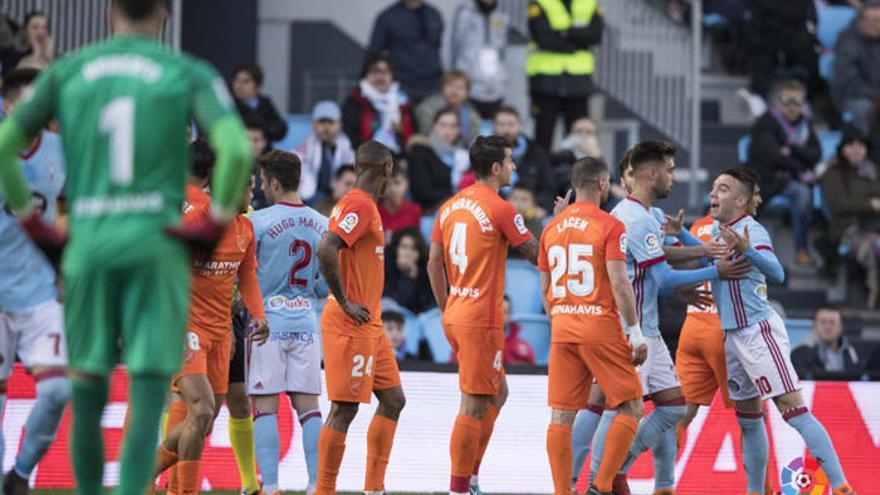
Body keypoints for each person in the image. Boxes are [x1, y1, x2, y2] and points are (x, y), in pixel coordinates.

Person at [0, 1, 254, 493]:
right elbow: (239, 150)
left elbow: (7, 142)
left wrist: (34, 224)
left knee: (89, 391)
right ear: (164, 12)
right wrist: (214, 222)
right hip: (155, 249)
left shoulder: (71, 69)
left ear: (109, 11)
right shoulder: (187, 72)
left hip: (90, 247)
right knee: (148, 394)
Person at [607, 141, 750, 494]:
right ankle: (602, 477)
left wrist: (690, 267)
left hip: (652, 328)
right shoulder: (634, 218)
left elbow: (654, 263)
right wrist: (715, 270)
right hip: (633, 329)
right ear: (650, 174)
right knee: (619, 411)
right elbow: (663, 274)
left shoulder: (649, 216)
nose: (675, 177)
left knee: (672, 407)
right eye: (670, 170)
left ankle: (630, 474)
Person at [708, 167, 859, 495]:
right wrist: (680, 237)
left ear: (741, 200)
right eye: (713, 187)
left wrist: (747, 249)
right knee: (748, 420)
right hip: (732, 335)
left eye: (722, 188)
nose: (712, 193)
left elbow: (777, 272)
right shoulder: (713, 230)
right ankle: (755, 491)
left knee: (794, 410)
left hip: (757, 331)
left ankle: (840, 485)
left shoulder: (752, 230)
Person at [426, 135, 540, 495]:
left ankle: (471, 477)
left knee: (497, 393)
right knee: (474, 403)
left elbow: (433, 263)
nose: (514, 167)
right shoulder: (501, 208)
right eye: (510, 161)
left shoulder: (450, 206)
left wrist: (447, 308)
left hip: (457, 312)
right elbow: (537, 255)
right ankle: (459, 487)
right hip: (481, 318)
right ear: (495, 167)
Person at [153, 163, 269, 495]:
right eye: (248, 187)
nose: (252, 192)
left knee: (204, 418)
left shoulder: (245, 228)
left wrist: (258, 315)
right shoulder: (196, 224)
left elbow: (247, 277)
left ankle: (147, 475)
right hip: (185, 325)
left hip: (221, 332)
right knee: (201, 408)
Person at [538, 156, 647, 495]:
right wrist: (635, 331)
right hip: (598, 325)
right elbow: (619, 282)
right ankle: (599, 487)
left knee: (561, 415)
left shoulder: (550, 228)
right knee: (631, 405)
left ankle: (561, 491)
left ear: (574, 185)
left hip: (562, 326)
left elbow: (545, 287)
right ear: (602, 184)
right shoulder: (611, 225)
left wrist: (560, 318)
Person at [315, 141, 406, 495]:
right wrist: (345, 300)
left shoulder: (362, 205)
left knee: (394, 399)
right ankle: (323, 490)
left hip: (370, 323)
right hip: (351, 323)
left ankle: (374, 488)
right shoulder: (358, 204)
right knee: (344, 408)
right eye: (393, 169)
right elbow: (327, 248)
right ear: (385, 168)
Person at [0, 67, 70, 494]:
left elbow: (68, 208)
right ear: (8, 105)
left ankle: (21, 473)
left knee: (59, 390)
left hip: (40, 294)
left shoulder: (63, 152)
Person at [248, 150, 328, 495]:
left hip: (267, 325)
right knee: (309, 409)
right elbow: (325, 284)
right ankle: (317, 485)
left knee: (265, 408)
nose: (262, 188)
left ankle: (272, 488)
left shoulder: (258, 222)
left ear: (275, 182)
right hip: (307, 324)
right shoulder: (323, 224)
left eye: (264, 181)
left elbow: (246, 274)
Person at [747, 79, 821, 266]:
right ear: (777, 102)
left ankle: (802, 250)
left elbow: (816, 153)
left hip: (789, 179)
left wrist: (792, 149)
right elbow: (772, 157)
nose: (792, 107)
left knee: (802, 193)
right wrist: (799, 163)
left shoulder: (805, 126)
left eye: (797, 101)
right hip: (765, 179)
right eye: (787, 101)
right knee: (800, 191)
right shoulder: (765, 123)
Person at [527, 0, 604, 152]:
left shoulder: (589, 3)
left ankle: (578, 175)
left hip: (578, 82)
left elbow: (595, 35)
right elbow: (543, 38)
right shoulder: (540, 3)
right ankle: (542, 175)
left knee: (579, 138)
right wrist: (577, 41)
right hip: (545, 80)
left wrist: (563, 33)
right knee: (543, 137)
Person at [820, 129, 880, 308]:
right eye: (851, 145)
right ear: (843, 149)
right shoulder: (833, 173)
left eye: (861, 145)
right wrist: (870, 205)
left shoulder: (874, 171)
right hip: (847, 229)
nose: (856, 149)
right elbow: (839, 204)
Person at [736, 0, 824, 119]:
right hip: (767, 44)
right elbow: (753, 28)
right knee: (760, 58)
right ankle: (758, 99)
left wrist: (794, 46)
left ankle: (808, 101)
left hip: (796, 44)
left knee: (812, 57)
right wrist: (771, 47)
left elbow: (810, 23)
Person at [441, 0, 509, 119]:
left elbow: (502, 50)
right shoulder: (464, 12)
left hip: (496, 88)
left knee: (492, 134)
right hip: (468, 88)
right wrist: (451, 78)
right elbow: (450, 46)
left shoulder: (502, 14)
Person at [367, 0, 443, 104]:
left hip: (433, 85)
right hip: (402, 85)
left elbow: (442, 47)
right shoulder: (388, 17)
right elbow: (374, 53)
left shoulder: (433, 14)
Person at [342, 54, 415, 155]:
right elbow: (350, 137)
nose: (380, 77)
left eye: (385, 72)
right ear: (365, 75)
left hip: (399, 157)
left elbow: (412, 134)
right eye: (375, 71)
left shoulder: (402, 102)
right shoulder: (355, 101)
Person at [493, 106, 556, 210]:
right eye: (501, 124)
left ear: (520, 126)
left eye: (511, 124)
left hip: (531, 212)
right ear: (494, 126)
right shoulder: (485, 153)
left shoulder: (536, 152)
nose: (506, 129)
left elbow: (548, 188)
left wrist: (540, 207)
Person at [408, 107, 470, 212]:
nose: (448, 130)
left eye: (453, 126)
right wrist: (458, 195)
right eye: (443, 125)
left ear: (459, 129)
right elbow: (423, 192)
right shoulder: (421, 151)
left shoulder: (463, 155)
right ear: (434, 126)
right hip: (430, 211)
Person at [832, 0, 880, 133]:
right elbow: (847, 80)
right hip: (856, 96)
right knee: (863, 109)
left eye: (879, 20)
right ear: (862, 20)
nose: (876, 25)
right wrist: (875, 96)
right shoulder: (848, 41)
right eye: (872, 20)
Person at [296, 100, 356, 203]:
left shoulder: (347, 149)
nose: (326, 127)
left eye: (331, 122)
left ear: (340, 124)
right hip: (310, 201)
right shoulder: (302, 151)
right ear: (313, 124)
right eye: (322, 122)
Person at [415, 70, 483, 146]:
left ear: (467, 92)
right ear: (442, 88)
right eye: (450, 86)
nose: (454, 91)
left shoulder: (473, 116)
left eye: (460, 87)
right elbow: (426, 135)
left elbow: (474, 143)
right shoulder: (426, 108)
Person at [792, 306, 864, 378]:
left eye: (832, 322)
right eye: (823, 322)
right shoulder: (800, 354)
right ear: (814, 325)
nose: (827, 327)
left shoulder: (854, 354)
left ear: (841, 327)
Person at [232, 62, 288, 142]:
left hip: (264, 153)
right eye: (236, 80)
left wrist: (263, 130)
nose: (238, 85)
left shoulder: (266, 104)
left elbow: (280, 130)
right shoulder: (228, 106)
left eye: (245, 81)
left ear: (257, 84)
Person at [384, 227, 436, 314]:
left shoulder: (426, 271)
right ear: (396, 248)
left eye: (414, 249)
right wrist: (407, 277)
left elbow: (428, 306)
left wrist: (413, 275)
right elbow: (391, 303)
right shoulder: (386, 267)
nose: (408, 253)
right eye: (404, 247)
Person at [378, 163, 423, 241]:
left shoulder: (415, 210)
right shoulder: (373, 209)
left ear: (407, 184)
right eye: (388, 184)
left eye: (397, 183)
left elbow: (415, 242)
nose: (393, 189)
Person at [0, 11, 53, 77]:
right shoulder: (11, 55)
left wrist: (49, 59)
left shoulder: (55, 58)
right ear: (25, 31)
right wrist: (36, 55)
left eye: (44, 28)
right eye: (35, 27)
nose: (40, 33)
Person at [501, 295, 535, 366]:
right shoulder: (482, 346)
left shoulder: (521, 348)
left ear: (510, 316)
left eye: (504, 312)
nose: (500, 316)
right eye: (497, 312)